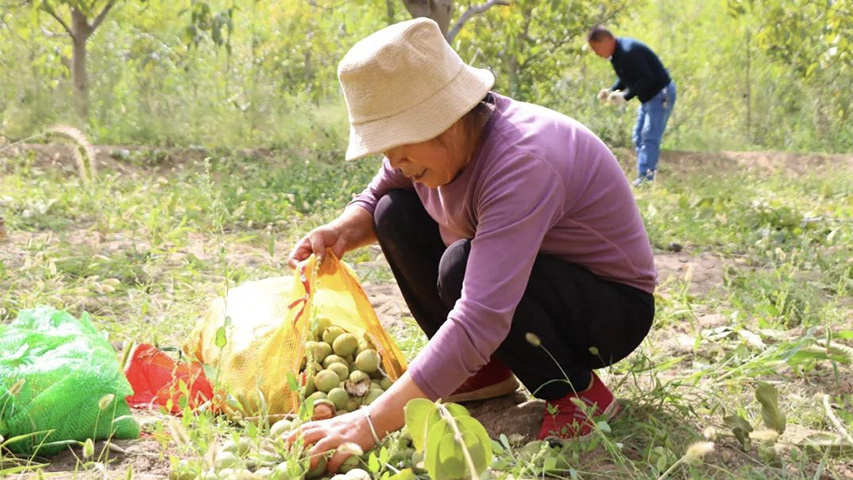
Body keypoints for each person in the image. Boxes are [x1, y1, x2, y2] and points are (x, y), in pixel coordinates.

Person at [286, 18, 656, 473]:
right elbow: (378, 195)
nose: (393, 160)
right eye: (383, 148)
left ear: (445, 119)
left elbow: (482, 315)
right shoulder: (430, 148)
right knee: (392, 212)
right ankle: (483, 374)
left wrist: (369, 423)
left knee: (461, 267)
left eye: (397, 144)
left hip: (610, 308)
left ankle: (577, 394)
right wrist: (340, 232)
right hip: (535, 284)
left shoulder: (521, 160)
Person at [588, 25, 676, 186]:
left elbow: (646, 78)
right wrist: (611, 91)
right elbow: (626, 77)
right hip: (647, 98)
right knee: (639, 135)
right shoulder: (617, 54)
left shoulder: (628, 51)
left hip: (659, 94)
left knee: (649, 136)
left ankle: (646, 180)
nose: (596, 53)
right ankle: (643, 176)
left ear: (606, 41)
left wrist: (625, 96)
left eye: (596, 48)